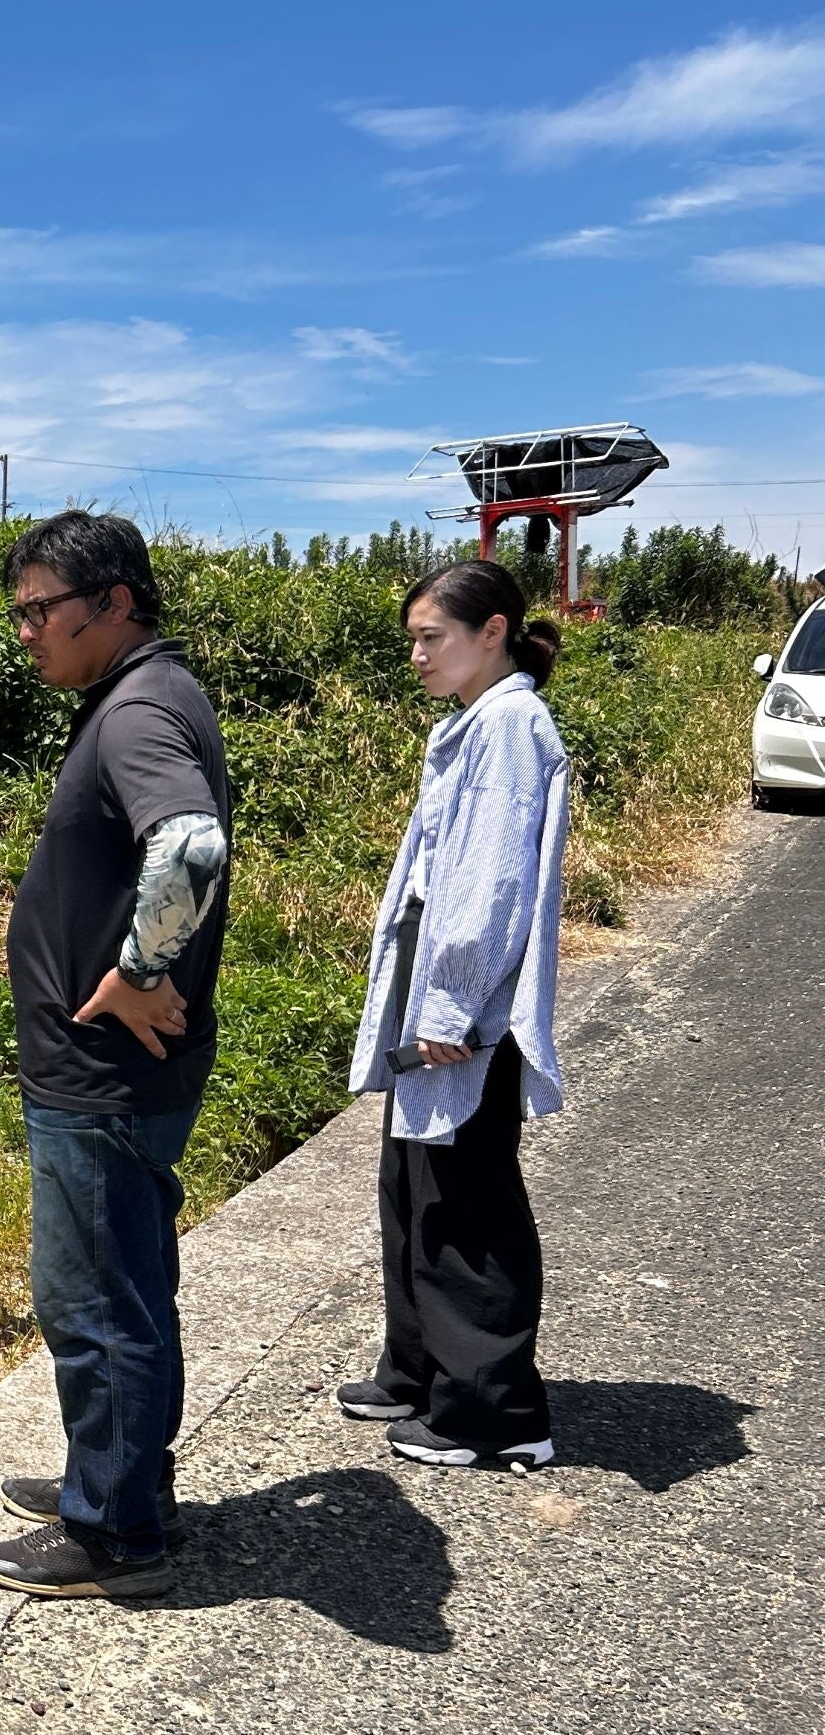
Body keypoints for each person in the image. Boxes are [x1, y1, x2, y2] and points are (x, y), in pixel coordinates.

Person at [0, 511, 230, 1600]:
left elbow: (191, 841)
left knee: (92, 1301)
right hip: (112, 1077)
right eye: (20, 611)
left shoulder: (133, 712)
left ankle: (113, 1532)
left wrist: (138, 968)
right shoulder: (147, 695)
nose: (26, 630)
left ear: (115, 602)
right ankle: (122, 1477)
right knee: (130, 1283)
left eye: (42, 609)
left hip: (102, 1079)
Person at [335, 560, 568, 1469]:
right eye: (415, 640)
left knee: (467, 1199)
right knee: (414, 1186)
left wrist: (451, 1003)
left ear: (493, 630)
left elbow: (491, 884)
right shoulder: (479, 722)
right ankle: (422, 1368)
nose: (420, 654)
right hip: (441, 990)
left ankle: (495, 1414)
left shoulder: (510, 726)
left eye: (433, 637)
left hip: (464, 1001)